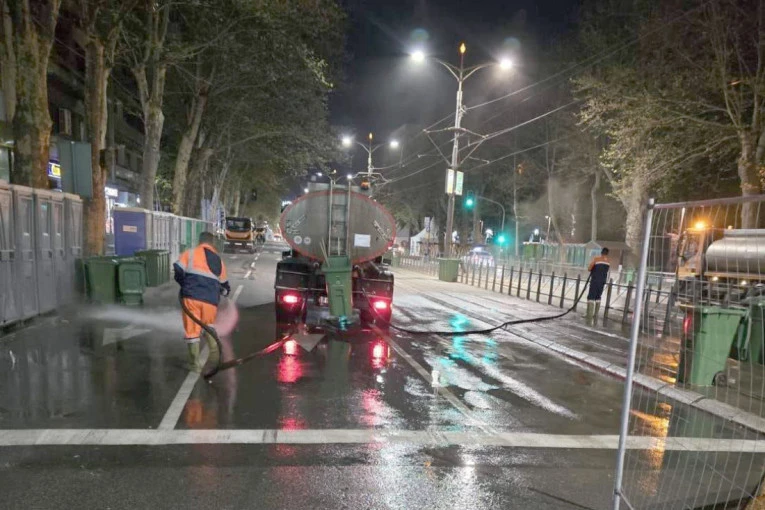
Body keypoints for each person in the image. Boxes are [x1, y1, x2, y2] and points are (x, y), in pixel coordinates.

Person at [174, 231, 231, 372]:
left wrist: (184, 283)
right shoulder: (218, 260)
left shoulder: (190, 254)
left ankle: (195, 365)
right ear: (212, 243)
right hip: (210, 301)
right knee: (208, 327)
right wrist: (221, 291)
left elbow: (178, 269)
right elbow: (225, 286)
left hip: (191, 298)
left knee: (192, 330)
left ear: (199, 241)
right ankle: (216, 357)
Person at [585, 247, 610, 324]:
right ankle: (596, 315)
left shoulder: (596, 259)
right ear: (607, 254)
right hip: (602, 282)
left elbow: (589, 268)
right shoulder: (608, 262)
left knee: (591, 297)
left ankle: (589, 315)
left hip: (595, 281)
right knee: (598, 297)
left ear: (601, 252)